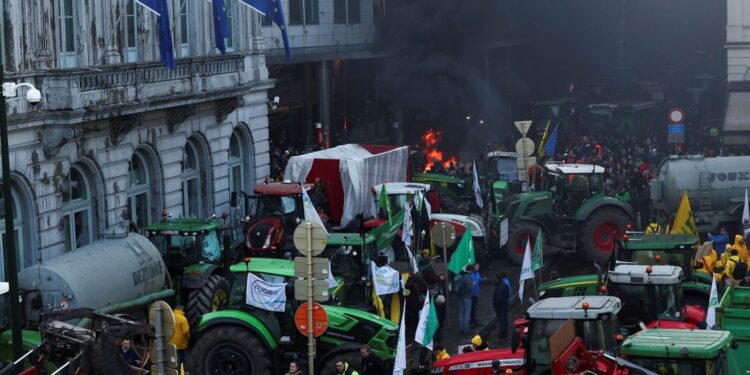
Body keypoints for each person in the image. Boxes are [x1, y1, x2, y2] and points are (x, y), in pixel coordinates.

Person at [454, 265, 474, 334]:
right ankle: (466, 329)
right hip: (467, 297)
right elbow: (469, 288)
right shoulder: (467, 277)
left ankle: (461, 328)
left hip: (460, 296)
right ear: (471, 270)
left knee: (461, 313)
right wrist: (473, 284)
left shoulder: (461, 276)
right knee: (467, 314)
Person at [170, 305, 190, 370]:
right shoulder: (183, 319)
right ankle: (182, 370)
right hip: (180, 343)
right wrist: (188, 337)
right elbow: (186, 331)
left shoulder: (170, 317)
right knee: (182, 357)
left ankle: (173, 369)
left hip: (171, 342)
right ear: (181, 309)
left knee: (172, 357)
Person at [493, 273, 511, 339]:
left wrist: (497, 307)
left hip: (500, 307)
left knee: (502, 321)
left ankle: (502, 335)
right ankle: (505, 333)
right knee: (505, 320)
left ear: (497, 279)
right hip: (505, 305)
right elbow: (508, 295)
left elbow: (498, 299)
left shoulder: (499, 287)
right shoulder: (505, 285)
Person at [469, 263, 485, 327]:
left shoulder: (477, 273)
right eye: (476, 267)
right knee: (472, 308)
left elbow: (480, 279)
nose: (478, 268)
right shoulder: (471, 275)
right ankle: (471, 321)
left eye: (478, 267)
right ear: (473, 267)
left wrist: (483, 279)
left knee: (474, 308)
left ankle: (473, 319)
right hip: (471, 294)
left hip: (476, 294)